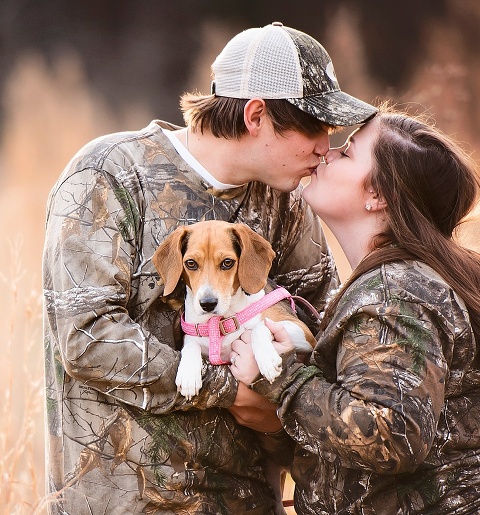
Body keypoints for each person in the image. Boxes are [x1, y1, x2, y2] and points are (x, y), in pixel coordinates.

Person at [42, 22, 376, 514]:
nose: (325, 147)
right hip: (120, 503)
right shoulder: (110, 174)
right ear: (257, 115)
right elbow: (85, 337)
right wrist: (232, 390)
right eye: (314, 126)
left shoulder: (286, 203)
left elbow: (325, 334)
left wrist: (288, 399)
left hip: (248, 502)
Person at [230, 106, 480, 513]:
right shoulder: (397, 283)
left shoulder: (397, 294)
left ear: (377, 195)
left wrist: (282, 377)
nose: (326, 152)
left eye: (347, 152)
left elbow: (392, 436)